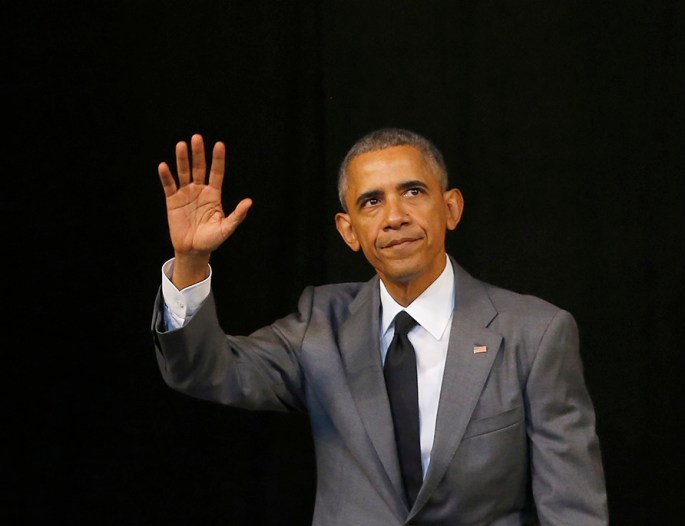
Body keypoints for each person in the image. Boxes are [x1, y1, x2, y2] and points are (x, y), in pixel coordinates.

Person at [152, 128, 609, 525]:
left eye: (413, 192)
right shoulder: (320, 325)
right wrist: (192, 262)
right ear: (348, 230)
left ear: (451, 208)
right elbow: (206, 372)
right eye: (372, 201)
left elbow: (572, 507)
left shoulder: (536, 333)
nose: (394, 217)